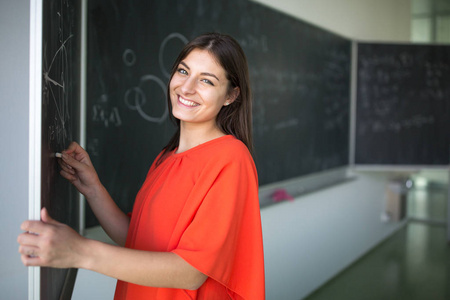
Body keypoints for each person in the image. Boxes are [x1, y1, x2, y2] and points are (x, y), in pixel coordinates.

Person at [18, 32, 265, 299]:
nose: (187, 87)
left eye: (206, 80)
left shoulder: (231, 158)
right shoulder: (166, 157)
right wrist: (93, 188)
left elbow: (191, 272)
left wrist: (80, 251)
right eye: (184, 71)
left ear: (230, 95)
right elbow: (136, 241)